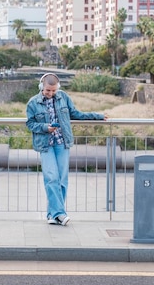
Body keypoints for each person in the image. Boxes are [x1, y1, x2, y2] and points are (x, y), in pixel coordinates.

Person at [26, 73, 108, 226]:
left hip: (62, 143)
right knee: (51, 178)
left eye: (54, 91)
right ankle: (60, 214)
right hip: (45, 144)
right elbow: (30, 124)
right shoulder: (33, 103)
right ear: (41, 87)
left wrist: (97, 116)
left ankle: (53, 214)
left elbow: (76, 114)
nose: (51, 93)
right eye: (48, 90)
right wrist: (45, 127)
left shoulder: (63, 97)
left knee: (62, 179)